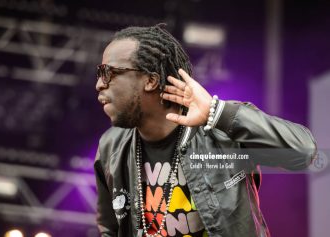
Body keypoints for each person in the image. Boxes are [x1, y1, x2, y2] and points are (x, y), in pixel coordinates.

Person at [94, 24, 317, 237]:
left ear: (151, 80)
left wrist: (216, 111)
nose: (99, 84)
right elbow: (110, 231)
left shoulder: (221, 130)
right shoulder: (111, 147)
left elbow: (304, 153)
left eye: (108, 73)